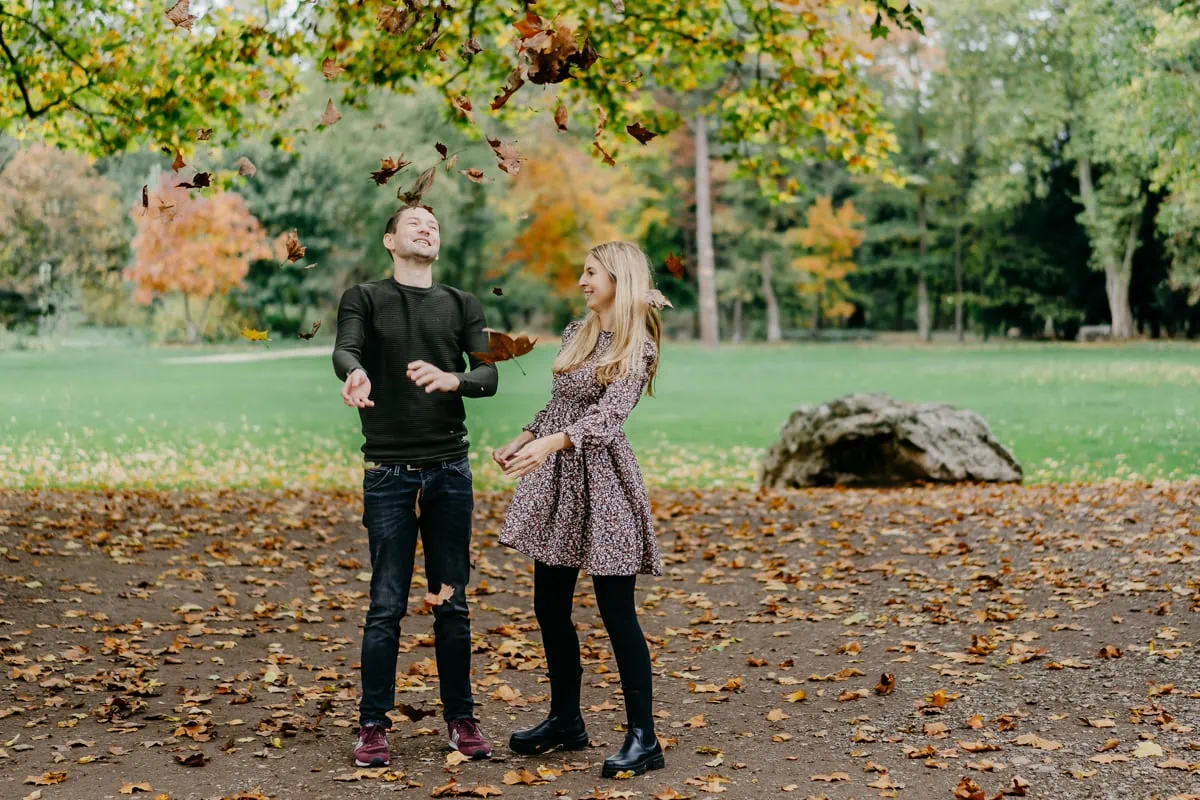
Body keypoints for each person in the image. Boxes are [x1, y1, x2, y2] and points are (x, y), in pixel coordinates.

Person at [493, 241, 667, 778]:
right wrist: (524, 438)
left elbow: (608, 418)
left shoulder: (638, 345)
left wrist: (551, 444)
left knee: (617, 612)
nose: (582, 281)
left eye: (591, 273)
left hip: (605, 484)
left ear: (619, 278)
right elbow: (560, 404)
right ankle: (566, 720)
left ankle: (644, 738)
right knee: (549, 606)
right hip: (559, 484)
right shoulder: (577, 332)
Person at [333, 204, 498, 768]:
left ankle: (462, 719)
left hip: (449, 471)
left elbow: (488, 374)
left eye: (434, 224)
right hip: (388, 474)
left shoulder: (462, 303)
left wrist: (454, 378)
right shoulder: (364, 297)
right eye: (414, 223)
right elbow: (345, 349)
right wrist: (355, 372)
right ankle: (372, 726)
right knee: (386, 605)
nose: (427, 228)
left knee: (452, 603)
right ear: (389, 240)